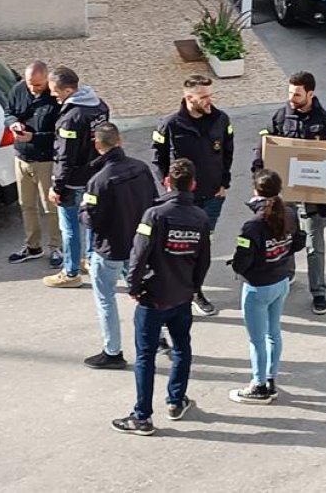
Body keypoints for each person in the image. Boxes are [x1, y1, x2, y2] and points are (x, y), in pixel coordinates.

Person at [111, 158, 211, 436]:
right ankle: (176, 401)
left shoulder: (153, 215)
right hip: (181, 297)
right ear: (193, 184)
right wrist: (194, 288)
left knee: (145, 356)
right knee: (181, 349)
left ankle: (142, 417)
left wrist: (133, 287)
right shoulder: (201, 218)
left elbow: (138, 254)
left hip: (152, 297)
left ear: (167, 181)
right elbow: (203, 259)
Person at [252, 71, 326, 316]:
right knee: (285, 233)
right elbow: (263, 148)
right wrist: (258, 176)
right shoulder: (280, 117)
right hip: (287, 193)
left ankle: (319, 293)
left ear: (310, 94)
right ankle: (289, 273)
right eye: (290, 92)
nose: (291, 98)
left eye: (297, 94)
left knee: (315, 245)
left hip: (317, 196)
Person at [151, 74, 234, 317]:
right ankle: (176, 292)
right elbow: (158, 157)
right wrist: (166, 183)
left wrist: (224, 183)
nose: (210, 101)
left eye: (210, 95)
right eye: (204, 97)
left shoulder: (221, 120)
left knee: (202, 246)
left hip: (213, 196)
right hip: (181, 199)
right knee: (179, 247)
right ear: (189, 98)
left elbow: (228, 151)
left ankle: (196, 291)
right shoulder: (169, 125)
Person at [80, 123, 158, 370]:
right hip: (139, 246)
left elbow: (91, 219)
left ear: (97, 145)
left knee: (106, 299)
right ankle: (159, 338)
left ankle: (112, 351)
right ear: (120, 140)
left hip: (111, 249)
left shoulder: (98, 181)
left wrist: (83, 209)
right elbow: (154, 203)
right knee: (147, 294)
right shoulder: (141, 168)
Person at [228, 169, 305, 404]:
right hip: (281, 281)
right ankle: (271, 379)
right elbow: (299, 241)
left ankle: (258, 385)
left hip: (257, 287)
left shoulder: (252, 226)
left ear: (256, 191)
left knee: (257, 339)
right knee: (274, 333)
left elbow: (242, 261)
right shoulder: (290, 213)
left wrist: (238, 266)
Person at [43, 66, 110, 288]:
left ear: (68, 89)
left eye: (55, 91)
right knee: (90, 221)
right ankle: (90, 260)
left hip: (74, 182)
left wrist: (57, 186)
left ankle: (70, 273)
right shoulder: (100, 106)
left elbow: (65, 156)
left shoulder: (71, 118)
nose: (53, 95)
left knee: (70, 227)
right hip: (96, 176)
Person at [4, 60, 63, 268]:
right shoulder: (19, 89)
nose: (33, 88)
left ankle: (57, 247)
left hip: (45, 160)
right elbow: (8, 111)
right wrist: (13, 123)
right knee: (27, 205)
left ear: (47, 79)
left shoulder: (56, 98)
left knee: (51, 207)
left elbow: (60, 135)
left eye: (38, 84)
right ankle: (33, 246)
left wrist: (34, 137)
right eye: (30, 83)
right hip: (21, 158)